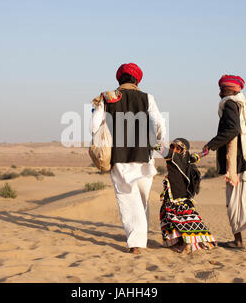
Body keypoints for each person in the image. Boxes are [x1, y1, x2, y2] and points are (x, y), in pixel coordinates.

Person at [91, 63, 166, 254]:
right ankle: (141, 237)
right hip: (144, 156)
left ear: (119, 79)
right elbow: (159, 124)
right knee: (142, 198)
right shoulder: (147, 98)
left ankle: (136, 243)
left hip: (120, 156)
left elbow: (94, 126)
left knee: (127, 199)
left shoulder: (107, 97)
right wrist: (156, 142)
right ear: (136, 80)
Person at [203, 75, 246, 252]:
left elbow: (233, 130)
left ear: (231, 90)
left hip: (241, 162)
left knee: (233, 202)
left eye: (222, 88)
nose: (219, 92)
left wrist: (210, 145)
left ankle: (238, 241)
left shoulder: (229, 105)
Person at [156, 138, 217, 253]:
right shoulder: (189, 158)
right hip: (183, 196)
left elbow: (159, 148)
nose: (174, 149)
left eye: (178, 148)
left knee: (175, 218)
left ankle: (186, 243)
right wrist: (206, 151)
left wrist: (149, 138)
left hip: (174, 197)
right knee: (183, 219)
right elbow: (200, 155)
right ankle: (184, 242)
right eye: (172, 147)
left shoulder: (173, 157)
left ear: (184, 150)